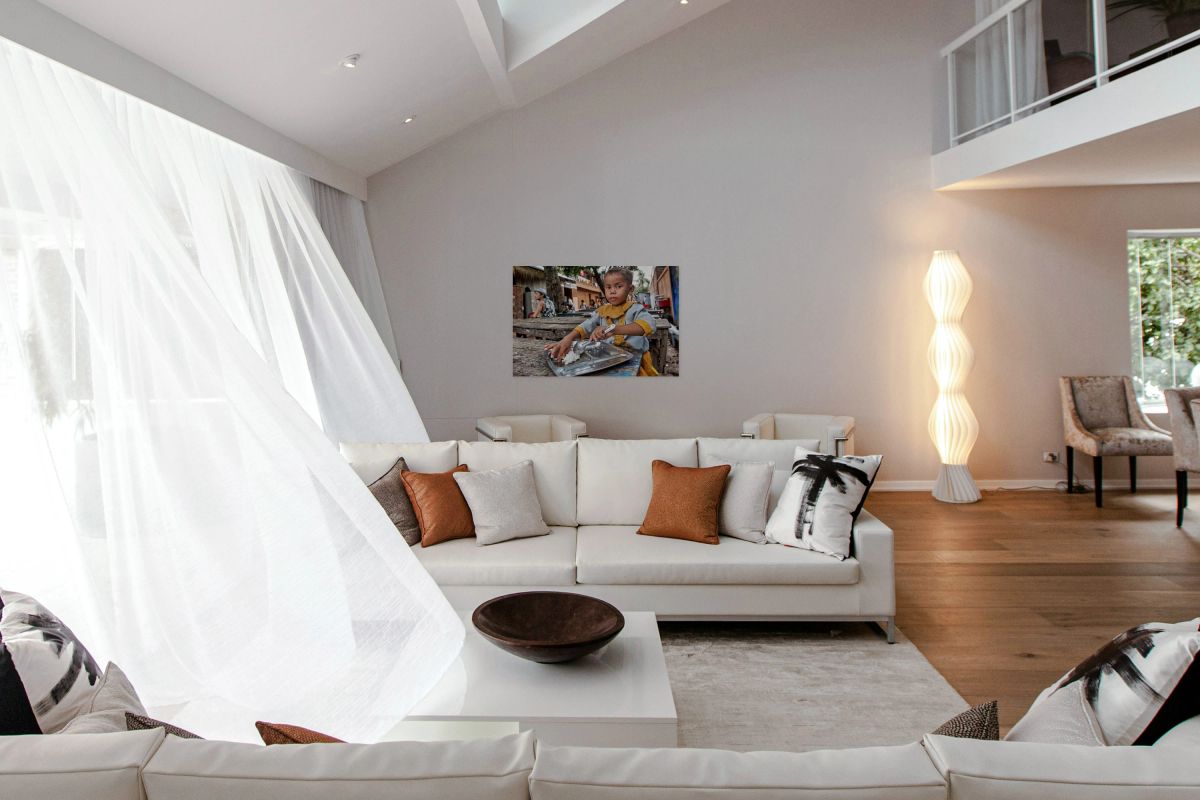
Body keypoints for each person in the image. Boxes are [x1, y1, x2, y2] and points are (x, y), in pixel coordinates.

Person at [545, 267, 659, 376]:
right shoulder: (602, 311)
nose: (612, 291)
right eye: (608, 287)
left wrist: (614, 329)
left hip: (635, 361)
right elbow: (586, 326)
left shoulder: (636, 309)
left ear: (630, 289)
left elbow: (649, 325)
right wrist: (568, 338)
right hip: (609, 360)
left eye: (618, 286)